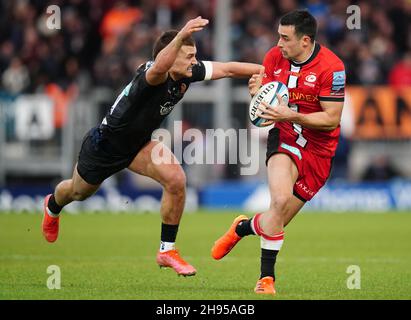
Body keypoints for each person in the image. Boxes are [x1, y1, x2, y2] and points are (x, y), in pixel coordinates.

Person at [42, 16, 263, 277]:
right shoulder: (152, 75)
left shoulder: (188, 72)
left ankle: (167, 250)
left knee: (176, 179)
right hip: (105, 146)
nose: (194, 62)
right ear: (169, 57)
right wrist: (180, 35)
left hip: (139, 145)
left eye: (195, 55)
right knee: (78, 192)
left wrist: (269, 71)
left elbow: (229, 69)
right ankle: (53, 205)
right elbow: (159, 66)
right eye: (188, 55)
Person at [212, 9, 346, 294]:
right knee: (281, 200)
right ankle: (266, 279)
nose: (279, 43)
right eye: (278, 36)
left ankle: (242, 228)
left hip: (319, 152)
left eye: (285, 38)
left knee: (276, 218)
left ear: (306, 41)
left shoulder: (332, 68)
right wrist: (256, 94)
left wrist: (290, 115)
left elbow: (331, 119)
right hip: (283, 139)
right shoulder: (274, 57)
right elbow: (266, 96)